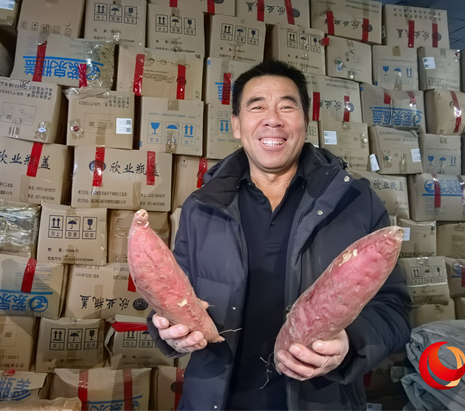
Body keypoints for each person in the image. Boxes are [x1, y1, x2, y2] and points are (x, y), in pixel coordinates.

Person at [147, 60, 411, 410]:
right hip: (215, 401)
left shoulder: (354, 202)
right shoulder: (202, 207)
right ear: (237, 125)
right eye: (257, 107)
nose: (273, 119)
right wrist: (167, 330)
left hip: (322, 400)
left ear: (305, 121)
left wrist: (351, 343)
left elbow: (394, 310)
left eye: (287, 107)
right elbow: (168, 294)